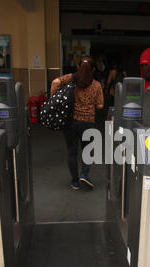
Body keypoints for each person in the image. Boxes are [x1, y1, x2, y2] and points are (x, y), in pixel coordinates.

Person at [50, 56, 104, 190]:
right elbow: (100, 105)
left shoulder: (71, 78)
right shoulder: (96, 85)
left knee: (72, 152)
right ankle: (84, 174)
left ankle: (74, 181)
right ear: (93, 69)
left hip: (71, 121)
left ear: (78, 67)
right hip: (88, 122)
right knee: (88, 150)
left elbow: (55, 82)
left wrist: (53, 100)